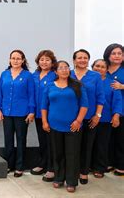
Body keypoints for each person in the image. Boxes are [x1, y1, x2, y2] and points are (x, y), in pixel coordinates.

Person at [42, 60, 88, 193]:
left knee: (72, 154)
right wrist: (45, 122)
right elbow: (44, 106)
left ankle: (72, 181)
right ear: (55, 71)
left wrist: (78, 121)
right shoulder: (50, 86)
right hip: (54, 125)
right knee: (57, 153)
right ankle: (59, 178)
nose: (64, 70)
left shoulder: (78, 85)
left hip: (73, 126)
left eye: (66, 67)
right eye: (61, 68)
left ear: (69, 69)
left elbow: (84, 105)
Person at [0, 50, 35, 177]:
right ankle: (9, 164)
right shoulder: (4, 74)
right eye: (13, 58)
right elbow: (0, 92)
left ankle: (19, 166)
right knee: (8, 139)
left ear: (23, 60)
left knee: (21, 139)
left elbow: (31, 95)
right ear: (9, 60)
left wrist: (31, 111)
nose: (16, 60)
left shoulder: (28, 75)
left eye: (18, 58)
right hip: (6, 111)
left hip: (22, 113)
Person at [70, 49, 105, 185]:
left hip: (90, 117)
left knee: (87, 145)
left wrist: (98, 115)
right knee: (72, 146)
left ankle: (84, 172)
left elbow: (100, 97)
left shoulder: (95, 76)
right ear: (74, 60)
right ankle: (73, 171)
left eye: (85, 58)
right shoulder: (68, 74)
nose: (82, 60)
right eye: (79, 58)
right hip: (72, 118)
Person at [90, 59, 122, 178]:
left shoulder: (112, 83)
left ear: (107, 69)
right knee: (88, 144)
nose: (99, 68)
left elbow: (118, 101)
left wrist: (116, 115)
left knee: (102, 144)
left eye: (103, 67)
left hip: (105, 120)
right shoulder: (87, 82)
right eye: (97, 66)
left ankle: (99, 168)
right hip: (88, 118)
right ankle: (87, 166)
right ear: (92, 67)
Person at [30, 50, 57, 182]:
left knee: (51, 141)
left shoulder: (55, 75)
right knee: (42, 140)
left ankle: (52, 168)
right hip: (38, 114)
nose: (44, 62)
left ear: (52, 62)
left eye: (47, 60)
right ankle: (43, 163)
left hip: (51, 114)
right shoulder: (34, 75)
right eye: (42, 59)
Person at [103, 43, 124, 175]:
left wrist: (122, 86)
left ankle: (121, 164)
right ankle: (109, 162)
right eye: (114, 53)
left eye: (120, 53)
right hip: (105, 110)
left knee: (121, 138)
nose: (117, 56)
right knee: (107, 138)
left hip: (121, 109)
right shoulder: (103, 69)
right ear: (108, 55)